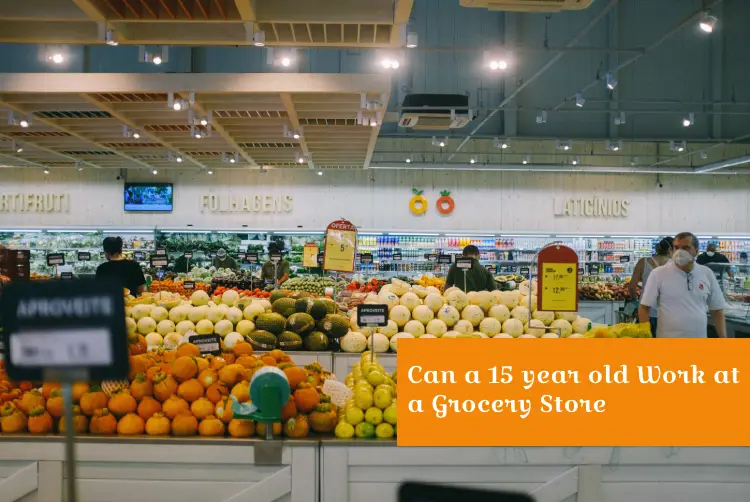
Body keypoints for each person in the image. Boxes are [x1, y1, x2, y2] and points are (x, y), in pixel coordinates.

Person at [639, 232, 729, 338]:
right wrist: (645, 334)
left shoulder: (706, 273)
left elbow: (717, 309)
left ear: (696, 250)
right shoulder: (658, 274)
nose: (679, 252)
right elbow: (644, 307)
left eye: (685, 248)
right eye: (676, 247)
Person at [629, 237, 673, 334]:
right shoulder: (674, 265)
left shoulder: (643, 262)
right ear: (671, 250)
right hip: (667, 314)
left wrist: (634, 301)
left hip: (645, 311)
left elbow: (632, 286)